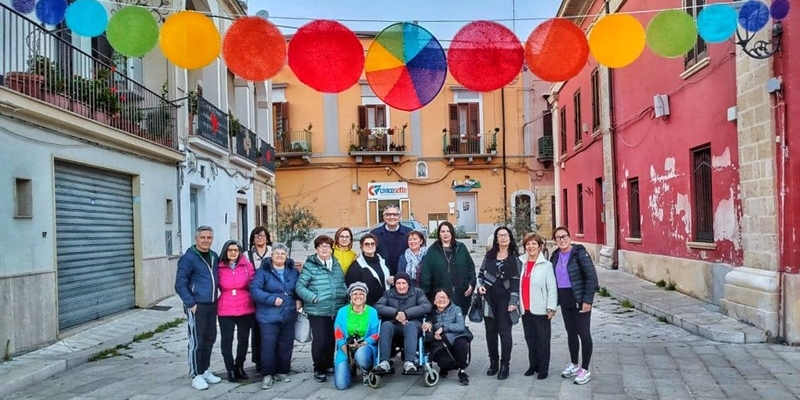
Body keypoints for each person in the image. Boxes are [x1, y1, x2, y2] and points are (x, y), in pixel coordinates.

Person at [295, 235, 348, 383]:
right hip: (317, 310)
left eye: (327, 246)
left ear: (331, 248)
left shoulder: (336, 264)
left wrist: (345, 295)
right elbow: (300, 286)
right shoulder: (310, 265)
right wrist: (313, 298)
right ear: (317, 249)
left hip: (336, 308)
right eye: (321, 246)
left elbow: (341, 283)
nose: (324, 249)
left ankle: (329, 364)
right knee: (320, 340)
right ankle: (318, 368)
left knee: (332, 338)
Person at [174, 226, 222, 390]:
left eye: (209, 237)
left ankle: (205, 370)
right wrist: (191, 303)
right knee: (197, 340)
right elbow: (180, 284)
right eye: (203, 237)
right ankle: (196, 374)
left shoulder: (214, 256)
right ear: (196, 239)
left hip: (212, 304)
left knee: (210, 338)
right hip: (197, 305)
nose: (206, 240)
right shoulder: (188, 258)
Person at [550, 226, 599, 385]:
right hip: (565, 300)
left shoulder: (579, 253)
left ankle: (584, 369)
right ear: (555, 241)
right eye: (558, 237)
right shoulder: (555, 256)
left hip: (579, 298)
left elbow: (591, 277)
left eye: (564, 236)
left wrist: (587, 301)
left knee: (583, 333)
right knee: (571, 332)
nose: (562, 240)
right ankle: (573, 363)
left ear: (570, 238)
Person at [250, 243, 300, 390]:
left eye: (283, 254)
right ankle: (267, 374)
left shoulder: (292, 271)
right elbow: (255, 291)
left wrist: (299, 299)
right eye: (276, 254)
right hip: (268, 315)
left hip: (288, 313)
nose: (280, 256)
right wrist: (271, 299)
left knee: (286, 344)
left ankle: (282, 371)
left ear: (286, 256)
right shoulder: (263, 272)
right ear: (271, 256)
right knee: (268, 345)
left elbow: (298, 287)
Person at [476, 227, 521, 380]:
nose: (502, 238)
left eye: (505, 235)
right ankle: (493, 362)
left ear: (510, 238)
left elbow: (515, 282)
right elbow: (481, 274)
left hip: (505, 301)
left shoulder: (514, 259)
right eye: (500, 235)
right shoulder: (489, 256)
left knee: (505, 333)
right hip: (489, 299)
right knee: (490, 333)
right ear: (496, 238)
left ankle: (505, 364)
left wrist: (514, 301)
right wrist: (480, 285)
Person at [374, 272, 432, 374]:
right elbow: (378, 306)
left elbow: (426, 306)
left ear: (408, 284)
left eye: (404, 283)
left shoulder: (418, 292)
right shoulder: (388, 294)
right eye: (398, 283)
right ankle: (384, 362)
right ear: (394, 284)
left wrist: (406, 314)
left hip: (413, 325)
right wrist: (395, 313)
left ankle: (409, 362)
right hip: (394, 324)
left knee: (410, 326)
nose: (401, 286)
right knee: (385, 325)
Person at [518, 233, 557, 380]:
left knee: (543, 340)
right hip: (525, 309)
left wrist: (551, 308)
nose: (531, 246)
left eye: (534, 244)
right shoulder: (521, 263)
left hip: (541, 309)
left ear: (540, 247)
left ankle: (543, 368)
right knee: (530, 338)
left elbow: (552, 288)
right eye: (528, 244)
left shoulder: (547, 265)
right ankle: (532, 365)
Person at [216, 240, 256, 383]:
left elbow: (254, 282)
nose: (233, 253)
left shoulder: (247, 266)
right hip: (226, 308)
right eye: (230, 250)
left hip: (245, 306)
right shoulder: (219, 267)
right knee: (227, 340)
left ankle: (239, 366)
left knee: (243, 339)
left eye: (235, 250)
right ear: (225, 252)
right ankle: (230, 368)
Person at [420, 221, 476, 315]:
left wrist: (471, 284)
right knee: (443, 325)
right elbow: (426, 273)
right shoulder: (433, 250)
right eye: (442, 231)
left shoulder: (461, 248)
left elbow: (471, 267)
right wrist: (427, 294)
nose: (445, 234)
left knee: (459, 323)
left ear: (452, 233)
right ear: (439, 234)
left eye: (448, 231)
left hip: (461, 294)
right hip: (440, 295)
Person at [333, 282, 381, 389]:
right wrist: (347, 351)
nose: (358, 296)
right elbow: (338, 333)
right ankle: (351, 367)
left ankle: (366, 371)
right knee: (341, 385)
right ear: (350, 297)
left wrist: (364, 343)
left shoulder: (372, 312)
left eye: (361, 294)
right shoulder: (342, 312)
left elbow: (375, 334)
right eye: (355, 294)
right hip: (346, 347)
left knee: (361, 354)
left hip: (365, 347)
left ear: (365, 297)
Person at [422, 288, 471, 386]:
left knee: (461, 343)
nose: (442, 300)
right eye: (439, 298)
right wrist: (429, 324)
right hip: (440, 342)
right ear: (434, 301)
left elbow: (460, 326)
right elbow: (428, 323)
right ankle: (444, 367)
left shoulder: (456, 309)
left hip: (456, 337)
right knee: (445, 361)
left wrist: (444, 328)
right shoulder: (431, 312)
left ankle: (462, 371)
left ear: (449, 299)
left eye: (444, 297)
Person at [246, 226, 272, 371]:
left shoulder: (273, 252)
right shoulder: (246, 255)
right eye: (256, 236)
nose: (259, 238)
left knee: (270, 329)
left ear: (267, 238)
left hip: (271, 296)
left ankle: (272, 358)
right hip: (254, 297)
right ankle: (258, 360)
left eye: (262, 235)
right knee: (256, 329)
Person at [344, 234, 391, 305]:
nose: (370, 246)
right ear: (361, 247)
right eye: (366, 244)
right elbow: (351, 288)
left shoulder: (383, 261)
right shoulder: (355, 266)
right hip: (366, 306)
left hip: (385, 304)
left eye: (372, 244)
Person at [371, 204, 412, 275]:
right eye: (388, 214)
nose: (392, 217)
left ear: (399, 216)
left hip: (403, 278)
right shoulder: (374, 234)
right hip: (381, 276)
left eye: (395, 214)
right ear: (383, 216)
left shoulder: (408, 233)